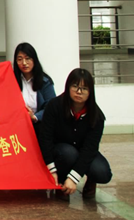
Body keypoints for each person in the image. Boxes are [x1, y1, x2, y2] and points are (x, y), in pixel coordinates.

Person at [39, 68, 112, 200]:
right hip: (61, 151)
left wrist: (74, 178)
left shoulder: (97, 116)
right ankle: (62, 181)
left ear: (90, 92)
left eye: (84, 88)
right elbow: (45, 138)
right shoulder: (54, 106)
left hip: (82, 150)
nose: (79, 92)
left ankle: (90, 181)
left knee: (102, 172)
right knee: (68, 153)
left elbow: (90, 149)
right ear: (68, 87)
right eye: (75, 86)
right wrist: (52, 171)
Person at [13, 42, 56, 127]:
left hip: (39, 125)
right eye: (20, 59)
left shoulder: (45, 82)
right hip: (17, 126)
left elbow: (51, 106)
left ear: (34, 59)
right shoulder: (12, 81)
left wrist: (34, 117)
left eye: (28, 58)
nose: (24, 63)